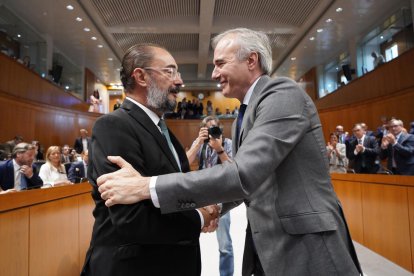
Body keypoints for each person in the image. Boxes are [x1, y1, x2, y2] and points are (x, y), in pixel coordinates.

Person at [96, 28, 362, 276]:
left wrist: (147, 186)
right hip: (270, 246)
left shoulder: (282, 94)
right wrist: (216, 208)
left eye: (220, 63)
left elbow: (243, 174)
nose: (213, 74)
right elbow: (251, 181)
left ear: (251, 61)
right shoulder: (242, 117)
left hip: (309, 246)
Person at [81, 43, 218, 276]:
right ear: (141, 76)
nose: (179, 81)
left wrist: (199, 204)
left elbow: (175, 193)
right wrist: (198, 217)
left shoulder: (167, 135)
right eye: (170, 71)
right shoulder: (113, 126)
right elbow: (131, 218)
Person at [186, 116, 234, 276]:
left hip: (221, 197)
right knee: (190, 240)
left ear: (220, 129)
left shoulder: (227, 144)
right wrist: (199, 142)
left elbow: (233, 172)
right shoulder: (200, 143)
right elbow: (183, 164)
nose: (212, 132)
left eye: (215, 128)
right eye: (208, 129)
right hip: (200, 196)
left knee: (225, 245)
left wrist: (219, 149)